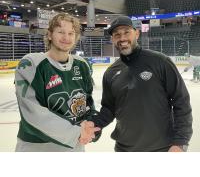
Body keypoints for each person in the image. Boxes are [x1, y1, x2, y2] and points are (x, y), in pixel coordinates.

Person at [91, 16, 193, 152]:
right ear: (112, 39)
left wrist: (181, 141)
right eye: (117, 34)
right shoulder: (110, 73)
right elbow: (108, 109)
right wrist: (94, 126)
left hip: (162, 148)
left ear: (137, 33)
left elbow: (181, 101)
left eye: (127, 32)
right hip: (124, 149)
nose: (122, 38)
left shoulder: (160, 62)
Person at [14, 13, 100, 152]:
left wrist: (91, 125)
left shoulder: (82, 64)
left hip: (75, 145)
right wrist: (76, 133)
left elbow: (88, 102)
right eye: (61, 32)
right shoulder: (31, 64)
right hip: (37, 147)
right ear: (49, 34)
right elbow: (33, 113)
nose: (66, 38)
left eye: (71, 33)